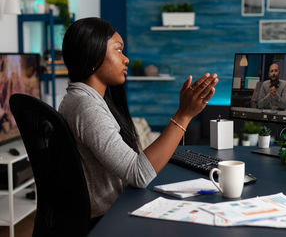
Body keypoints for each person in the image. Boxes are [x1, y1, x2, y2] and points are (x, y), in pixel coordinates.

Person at [58, 17, 218, 222]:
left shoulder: (83, 100)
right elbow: (139, 173)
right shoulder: (85, 106)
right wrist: (184, 114)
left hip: (116, 209)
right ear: (93, 54)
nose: (126, 59)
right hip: (109, 220)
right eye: (118, 50)